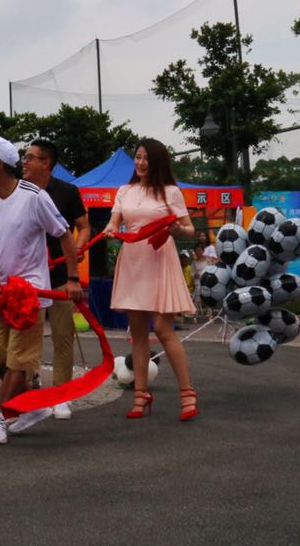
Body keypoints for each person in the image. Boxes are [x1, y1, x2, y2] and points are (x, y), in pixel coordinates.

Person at [0, 135, 79, 446]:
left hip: (30, 291)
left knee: (17, 360)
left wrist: (73, 278)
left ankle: (0, 417)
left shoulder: (34, 196)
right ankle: (32, 402)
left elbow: (65, 235)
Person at [105, 139, 199, 421]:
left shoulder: (170, 192)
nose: (140, 163)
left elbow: (189, 229)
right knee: (138, 330)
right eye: (138, 157)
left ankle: (187, 393)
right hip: (133, 258)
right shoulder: (125, 190)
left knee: (162, 327)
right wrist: (111, 229)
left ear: (157, 162)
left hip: (160, 258)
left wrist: (173, 229)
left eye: (146, 158)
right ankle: (140, 394)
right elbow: (115, 220)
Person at [19, 139, 88, 420]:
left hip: (60, 276)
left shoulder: (67, 192)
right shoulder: (18, 191)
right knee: (26, 338)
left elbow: (83, 226)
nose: (24, 161)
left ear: (46, 163)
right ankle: (31, 387)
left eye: (30, 157)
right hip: (29, 277)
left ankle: (61, 395)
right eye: (24, 156)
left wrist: (78, 248)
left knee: (63, 337)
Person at [192, 232, 218, 318]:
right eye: (197, 251)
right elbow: (192, 272)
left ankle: (209, 312)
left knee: (207, 293)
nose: (198, 252)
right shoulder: (194, 262)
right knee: (198, 291)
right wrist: (196, 275)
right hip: (198, 280)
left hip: (206, 279)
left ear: (203, 251)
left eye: (200, 250)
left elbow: (212, 267)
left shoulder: (208, 259)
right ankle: (196, 312)